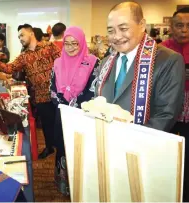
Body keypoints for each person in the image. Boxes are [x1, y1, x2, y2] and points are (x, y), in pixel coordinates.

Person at [95, 2, 185, 132]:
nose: (117, 36)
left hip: (142, 145)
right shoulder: (105, 63)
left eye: (123, 29)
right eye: (111, 31)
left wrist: (132, 141)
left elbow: (165, 115)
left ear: (142, 25)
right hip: (106, 142)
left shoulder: (168, 60)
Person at [0, 24, 61, 159]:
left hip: (56, 93)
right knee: (46, 125)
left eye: (22, 35)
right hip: (40, 96)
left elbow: (63, 62)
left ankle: (62, 150)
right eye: (18, 37)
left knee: (59, 123)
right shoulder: (24, 56)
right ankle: (49, 147)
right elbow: (10, 68)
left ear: (31, 33)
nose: (20, 39)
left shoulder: (49, 47)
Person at [50, 26, 99, 196]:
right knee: (62, 147)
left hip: (82, 115)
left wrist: (74, 103)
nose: (70, 48)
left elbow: (94, 88)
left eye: (75, 44)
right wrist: (62, 102)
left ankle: (81, 185)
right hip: (62, 113)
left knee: (80, 149)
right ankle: (64, 184)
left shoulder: (92, 61)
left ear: (82, 43)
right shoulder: (57, 62)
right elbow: (52, 87)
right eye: (67, 44)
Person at [161, 7, 189, 201]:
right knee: (165, 154)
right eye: (179, 25)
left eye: (188, 26)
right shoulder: (162, 49)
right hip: (167, 108)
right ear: (171, 27)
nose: (184, 30)